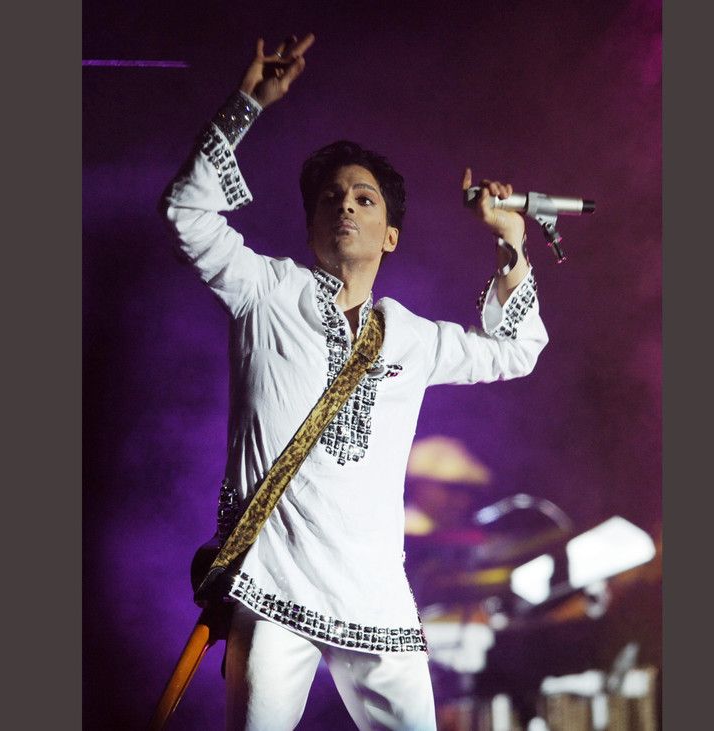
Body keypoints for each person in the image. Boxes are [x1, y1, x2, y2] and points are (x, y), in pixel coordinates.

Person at [162, 33, 549, 731]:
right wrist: (249, 102)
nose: (346, 206)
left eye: (365, 199)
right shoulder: (265, 291)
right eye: (331, 198)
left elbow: (517, 350)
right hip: (274, 590)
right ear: (311, 224)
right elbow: (187, 213)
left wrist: (508, 238)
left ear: (390, 235)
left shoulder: (412, 337)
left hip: (377, 600)